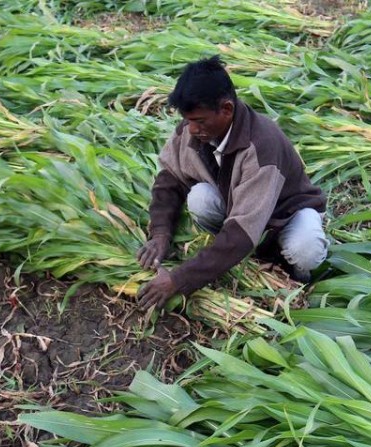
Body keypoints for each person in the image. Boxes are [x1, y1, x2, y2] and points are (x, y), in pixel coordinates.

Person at [135, 56, 329, 311]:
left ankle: (298, 281)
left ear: (226, 109)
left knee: (306, 249)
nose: (191, 129)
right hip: (241, 208)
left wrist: (178, 280)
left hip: (285, 215)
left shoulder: (261, 146)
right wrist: (161, 233)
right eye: (188, 120)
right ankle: (232, 255)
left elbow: (241, 232)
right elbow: (170, 180)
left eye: (200, 121)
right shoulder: (193, 130)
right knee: (199, 198)